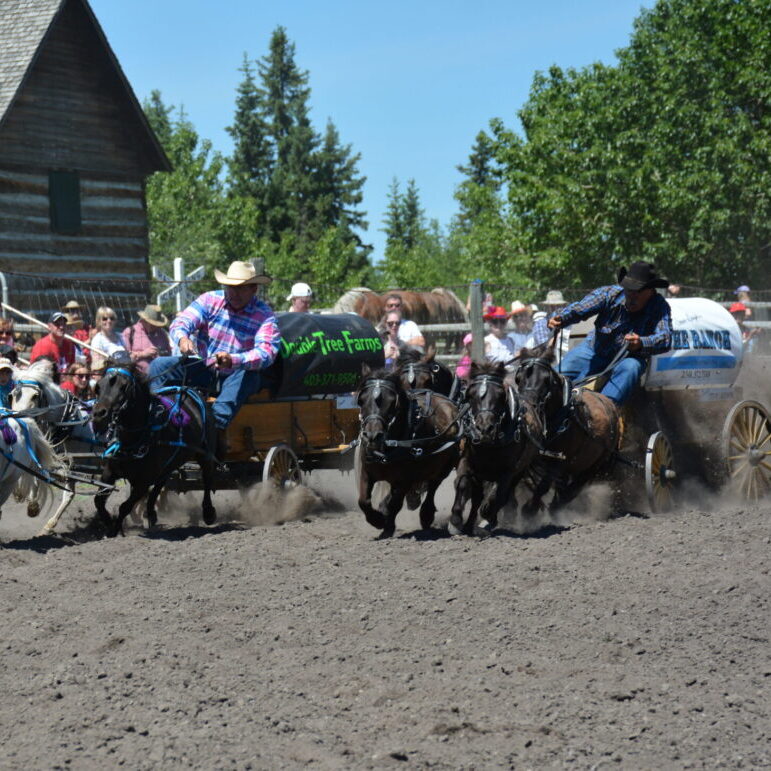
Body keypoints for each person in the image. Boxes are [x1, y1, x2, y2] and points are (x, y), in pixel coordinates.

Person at [149, 260, 281, 432]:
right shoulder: (210, 300)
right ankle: (158, 413)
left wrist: (232, 360)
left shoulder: (264, 316)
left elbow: (267, 353)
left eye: (240, 288)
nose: (234, 292)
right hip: (205, 368)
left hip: (236, 375)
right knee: (159, 365)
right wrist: (182, 339)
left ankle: (214, 428)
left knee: (248, 376)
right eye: (231, 287)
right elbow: (182, 321)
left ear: (253, 289)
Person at [548, 261, 672, 406]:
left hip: (628, 358)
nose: (632, 296)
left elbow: (665, 338)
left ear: (650, 292)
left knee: (631, 368)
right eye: (629, 290)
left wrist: (641, 343)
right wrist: (561, 317)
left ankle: (604, 409)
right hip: (593, 350)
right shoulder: (609, 294)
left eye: (638, 291)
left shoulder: (659, 306)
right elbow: (581, 308)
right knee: (553, 379)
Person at [121, 305, 172, 373]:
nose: (155, 326)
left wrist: (162, 355)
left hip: (160, 377)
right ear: (144, 320)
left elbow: (169, 354)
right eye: (152, 324)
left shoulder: (162, 334)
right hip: (137, 378)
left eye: (157, 324)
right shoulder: (130, 332)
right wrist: (143, 354)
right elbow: (123, 358)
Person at [529, 290, 571, 365]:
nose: (556, 309)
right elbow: (544, 349)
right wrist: (559, 335)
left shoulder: (569, 322)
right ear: (547, 307)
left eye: (559, 305)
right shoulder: (541, 324)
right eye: (552, 306)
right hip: (547, 365)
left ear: (564, 306)